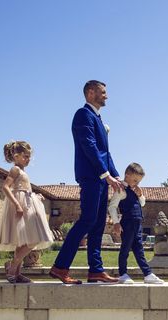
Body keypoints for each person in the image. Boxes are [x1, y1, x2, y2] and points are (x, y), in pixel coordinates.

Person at [50, 80, 123, 284]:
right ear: (90, 93)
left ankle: (96, 270)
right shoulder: (83, 114)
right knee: (87, 220)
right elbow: (88, 145)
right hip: (91, 177)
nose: (106, 96)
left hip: (101, 178)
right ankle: (60, 267)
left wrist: (115, 175)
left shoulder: (98, 118)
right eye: (103, 92)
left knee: (99, 224)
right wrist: (103, 173)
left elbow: (105, 152)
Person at [0, 141, 54, 283]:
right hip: (21, 205)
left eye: (29, 157)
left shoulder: (22, 171)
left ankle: (16, 272)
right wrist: (17, 205)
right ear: (16, 156)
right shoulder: (15, 170)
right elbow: (5, 187)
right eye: (25, 156)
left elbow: (24, 188)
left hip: (28, 203)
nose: (28, 160)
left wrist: (35, 195)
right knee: (34, 239)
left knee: (23, 242)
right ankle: (13, 265)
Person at [108, 163, 164, 284]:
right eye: (135, 180)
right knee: (125, 249)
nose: (137, 183)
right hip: (127, 224)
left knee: (139, 249)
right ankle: (123, 273)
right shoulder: (121, 190)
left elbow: (142, 204)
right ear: (127, 176)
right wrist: (116, 223)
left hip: (137, 224)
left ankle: (147, 274)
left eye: (139, 181)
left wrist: (140, 194)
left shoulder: (134, 191)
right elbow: (112, 207)